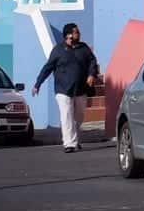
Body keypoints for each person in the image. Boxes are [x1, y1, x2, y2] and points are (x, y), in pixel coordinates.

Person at [31, 22, 102, 153]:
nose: (79, 34)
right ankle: (69, 143)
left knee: (79, 117)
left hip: (80, 89)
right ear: (68, 35)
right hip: (63, 90)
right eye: (76, 32)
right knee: (66, 116)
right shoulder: (58, 50)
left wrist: (91, 74)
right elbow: (48, 67)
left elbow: (92, 61)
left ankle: (75, 139)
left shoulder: (83, 48)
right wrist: (37, 84)